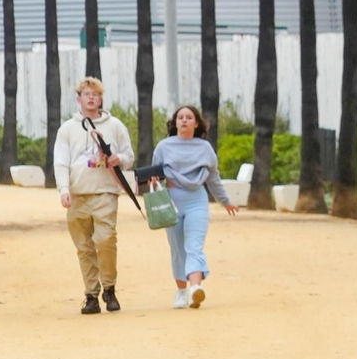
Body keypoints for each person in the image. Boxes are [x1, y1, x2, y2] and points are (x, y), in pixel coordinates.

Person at [55, 77, 134, 315]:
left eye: (95, 94)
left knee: (106, 239)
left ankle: (109, 287)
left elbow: (128, 156)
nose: (91, 98)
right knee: (84, 247)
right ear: (78, 99)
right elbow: (60, 161)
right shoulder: (67, 129)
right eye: (86, 94)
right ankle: (91, 295)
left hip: (105, 192)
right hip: (78, 194)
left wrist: (119, 159)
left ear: (101, 99)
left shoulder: (115, 126)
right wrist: (64, 189)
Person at [149, 105, 239, 310]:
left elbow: (213, 178)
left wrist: (225, 201)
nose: (184, 121)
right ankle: (181, 291)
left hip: (197, 200)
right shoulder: (164, 146)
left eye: (189, 117)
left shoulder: (205, 148)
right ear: (175, 123)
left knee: (194, 246)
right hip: (172, 201)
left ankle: (195, 288)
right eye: (180, 117)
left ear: (196, 123)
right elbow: (155, 175)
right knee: (178, 249)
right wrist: (154, 179)